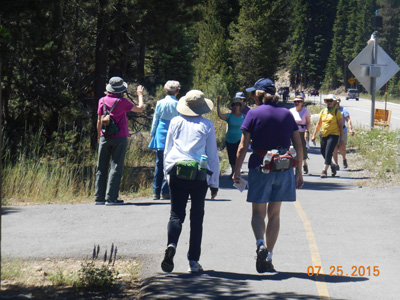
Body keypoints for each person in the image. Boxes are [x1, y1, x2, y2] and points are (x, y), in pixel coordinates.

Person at [233, 78, 303, 273]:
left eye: (253, 93)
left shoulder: (253, 114)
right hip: (283, 168)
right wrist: (299, 171)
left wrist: (237, 171)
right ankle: (269, 256)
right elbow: (298, 144)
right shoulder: (288, 115)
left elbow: (242, 146)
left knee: (258, 213)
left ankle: (260, 243)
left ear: (258, 95)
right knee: (275, 214)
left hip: (260, 167)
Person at [161, 90, 220, 273]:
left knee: (176, 214)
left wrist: (166, 174)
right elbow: (212, 156)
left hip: (177, 171)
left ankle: (171, 245)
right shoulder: (207, 125)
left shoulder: (175, 122)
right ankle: (193, 261)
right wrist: (214, 182)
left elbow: (167, 149)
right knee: (197, 217)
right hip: (198, 175)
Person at [95, 77, 144, 205]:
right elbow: (139, 108)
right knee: (116, 166)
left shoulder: (102, 100)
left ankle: (99, 197)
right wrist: (140, 95)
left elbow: (99, 120)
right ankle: (111, 197)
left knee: (101, 167)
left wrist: (99, 136)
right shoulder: (122, 102)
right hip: (120, 137)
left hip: (105, 137)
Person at [148, 80, 181, 200]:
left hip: (160, 133)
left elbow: (155, 119)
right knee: (171, 164)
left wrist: (153, 134)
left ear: (165, 90)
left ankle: (155, 191)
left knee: (159, 163)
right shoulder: (178, 104)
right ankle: (165, 190)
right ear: (177, 91)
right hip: (173, 134)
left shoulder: (160, 103)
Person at [311, 94, 344, 178]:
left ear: (334, 102)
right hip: (323, 134)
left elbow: (340, 126)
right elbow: (319, 123)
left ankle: (324, 170)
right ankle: (332, 165)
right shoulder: (323, 111)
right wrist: (314, 135)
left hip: (334, 134)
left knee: (329, 151)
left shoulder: (337, 112)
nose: (329, 102)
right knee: (323, 151)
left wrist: (341, 139)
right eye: (328, 101)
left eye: (331, 101)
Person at [217, 95, 246, 176]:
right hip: (230, 139)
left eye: (237, 104)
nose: (236, 106)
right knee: (231, 156)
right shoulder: (229, 116)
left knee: (238, 156)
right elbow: (220, 115)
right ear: (232, 106)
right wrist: (218, 105)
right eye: (234, 104)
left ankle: (237, 171)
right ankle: (233, 171)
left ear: (240, 106)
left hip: (240, 139)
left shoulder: (244, 117)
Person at [289, 95, 311, 174]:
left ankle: (304, 163)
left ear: (302, 103)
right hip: (293, 132)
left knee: (303, 148)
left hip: (302, 132)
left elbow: (308, 123)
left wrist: (307, 131)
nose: (296, 103)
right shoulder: (291, 111)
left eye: (298, 102)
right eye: (295, 102)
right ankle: (294, 165)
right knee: (293, 149)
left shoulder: (305, 111)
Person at [332, 98, 355, 169]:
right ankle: (336, 164)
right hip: (334, 131)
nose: (337, 104)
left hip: (343, 130)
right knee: (334, 148)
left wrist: (350, 129)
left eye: (338, 103)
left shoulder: (343, 110)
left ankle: (344, 158)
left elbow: (348, 120)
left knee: (342, 147)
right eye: (335, 103)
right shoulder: (332, 110)